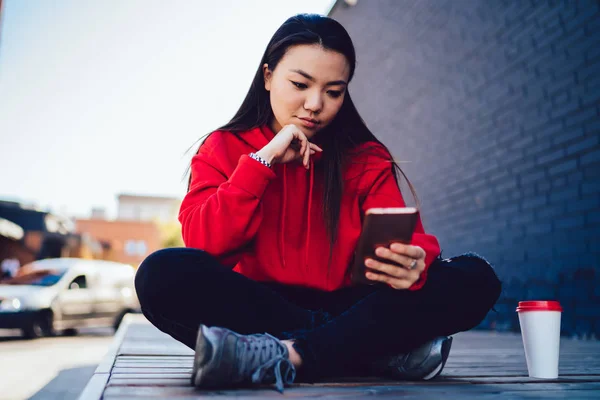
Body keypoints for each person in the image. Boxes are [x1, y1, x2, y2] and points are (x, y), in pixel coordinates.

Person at [135, 14, 502, 392]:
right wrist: (263, 162)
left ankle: (292, 354)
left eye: (334, 91)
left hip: (356, 306)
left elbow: (411, 240)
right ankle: (368, 351)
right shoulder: (223, 148)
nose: (314, 104)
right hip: (265, 308)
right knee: (160, 274)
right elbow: (204, 244)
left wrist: (415, 263)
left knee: (475, 275)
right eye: (300, 84)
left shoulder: (366, 157)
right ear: (267, 76)